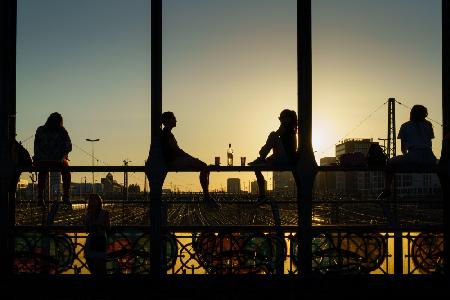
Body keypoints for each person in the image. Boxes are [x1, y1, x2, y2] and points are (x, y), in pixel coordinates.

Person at [378, 105, 437, 200]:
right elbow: (428, 143)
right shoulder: (428, 125)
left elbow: (403, 148)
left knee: (389, 162)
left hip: (414, 155)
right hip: (430, 157)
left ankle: (387, 189)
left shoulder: (405, 126)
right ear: (424, 114)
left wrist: (408, 159)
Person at [161, 111, 218, 208]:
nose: (176, 120)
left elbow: (177, 150)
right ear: (168, 120)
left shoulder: (166, 134)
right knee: (204, 166)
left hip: (174, 161)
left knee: (203, 167)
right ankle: (206, 195)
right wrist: (190, 158)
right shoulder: (167, 134)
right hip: (174, 161)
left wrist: (189, 158)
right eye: (174, 118)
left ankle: (206, 195)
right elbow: (177, 151)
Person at [248, 109, 298, 204]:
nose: (281, 120)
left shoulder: (286, 128)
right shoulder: (291, 129)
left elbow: (276, 137)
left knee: (273, 134)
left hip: (285, 161)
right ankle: (262, 195)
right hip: (284, 160)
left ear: (289, 118)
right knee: (257, 167)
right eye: (280, 118)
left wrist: (263, 155)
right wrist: (267, 160)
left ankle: (261, 158)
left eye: (283, 117)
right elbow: (280, 150)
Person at [33, 112, 72, 206]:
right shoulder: (62, 131)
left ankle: (40, 196)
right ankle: (66, 195)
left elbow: (36, 146)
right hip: (58, 161)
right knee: (67, 171)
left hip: (42, 161)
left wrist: (39, 157)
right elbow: (69, 146)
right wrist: (63, 156)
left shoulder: (40, 130)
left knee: (42, 172)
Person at [84, 194, 111, 275]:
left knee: (101, 267)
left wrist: (99, 226)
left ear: (99, 202)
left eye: (94, 201)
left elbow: (108, 228)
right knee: (92, 266)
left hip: (100, 241)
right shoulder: (88, 214)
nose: (93, 203)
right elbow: (86, 229)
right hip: (92, 241)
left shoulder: (105, 213)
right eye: (91, 201)